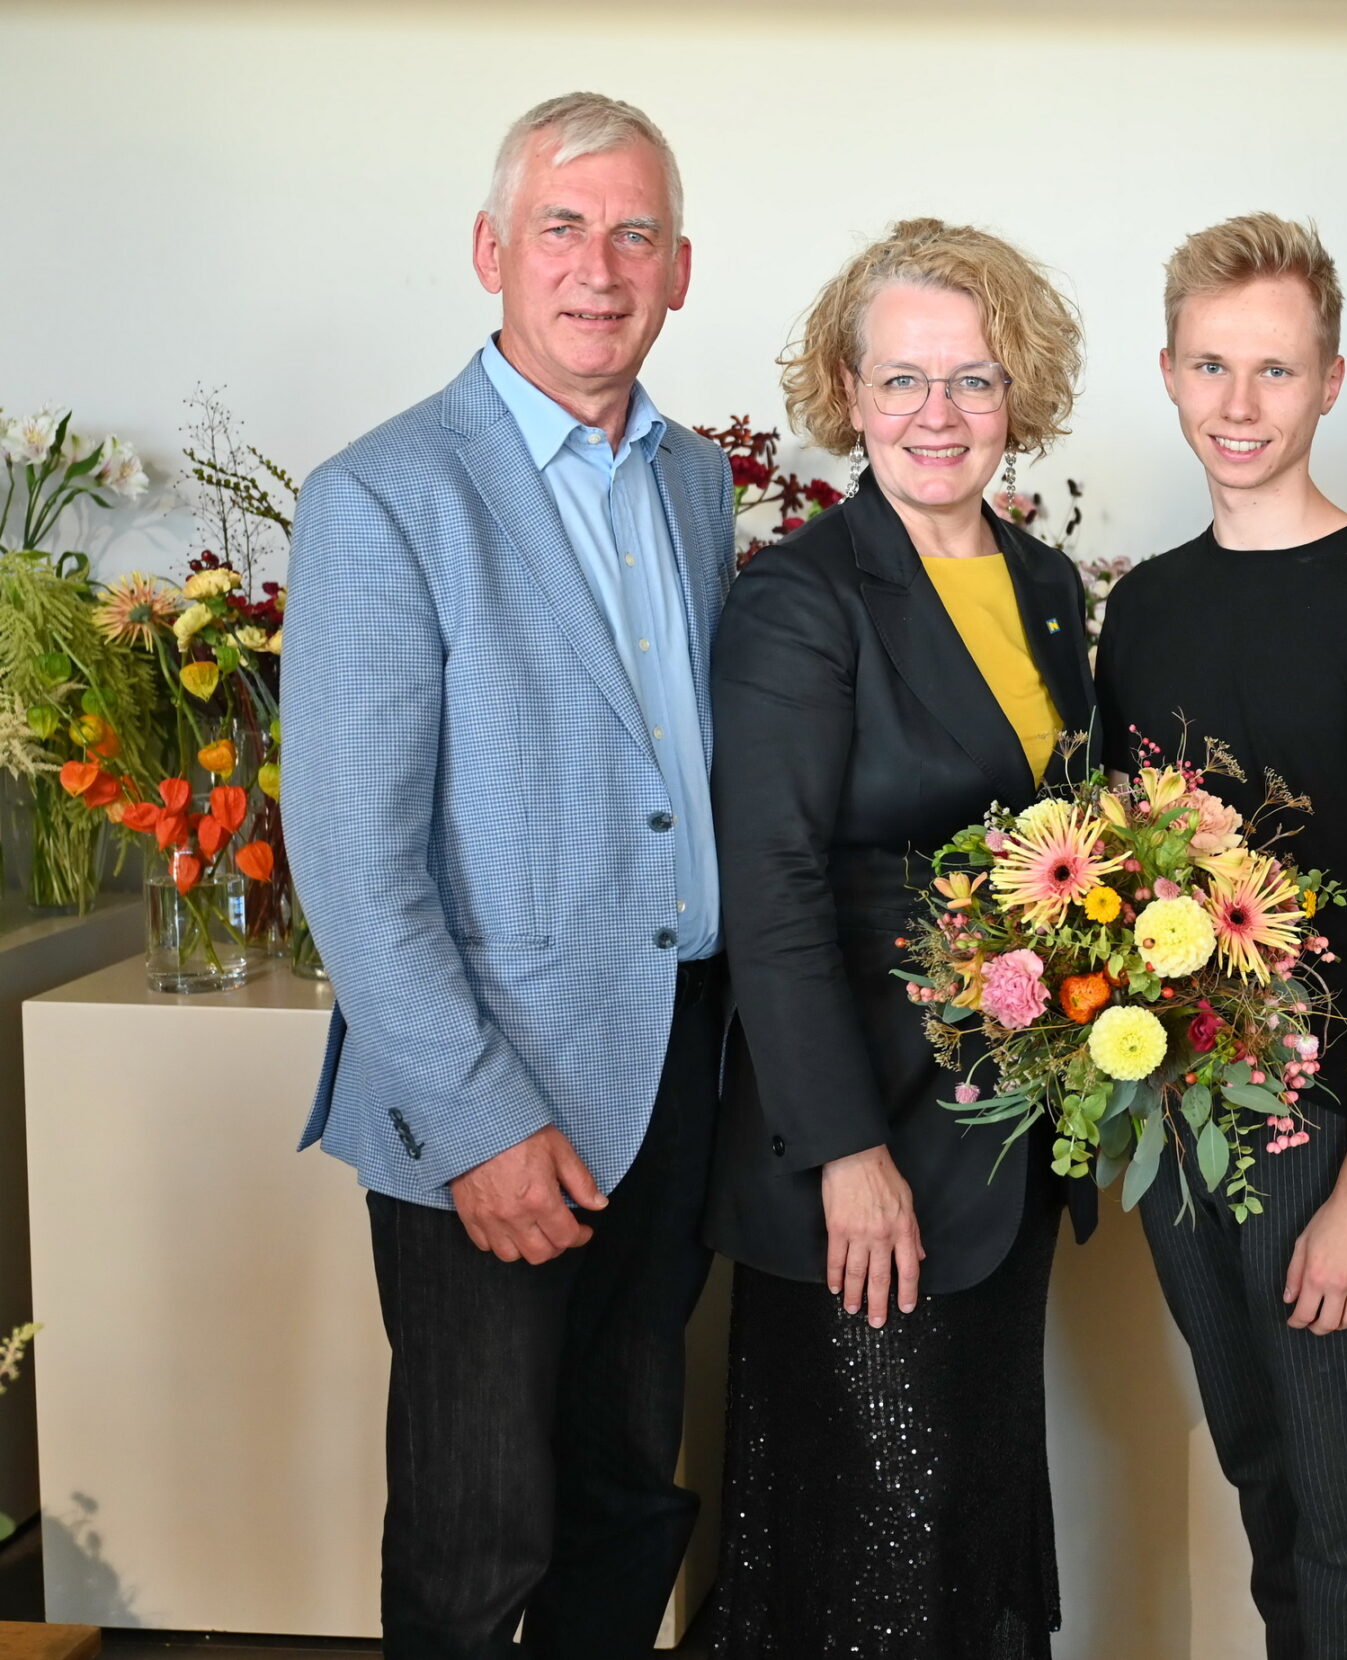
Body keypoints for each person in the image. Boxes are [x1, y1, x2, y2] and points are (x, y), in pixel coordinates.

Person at [284, 93, 731, 1657]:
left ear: (681, 267)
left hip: (673, 1070)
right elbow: (351, 858)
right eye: (562, 226)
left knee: (627, 1503)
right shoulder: (384, 497)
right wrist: (482, 1124)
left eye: (634, 234)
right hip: (487, 1099)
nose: (598, 268)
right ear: (491, 251)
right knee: (482, 1544)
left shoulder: (693, 483)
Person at [702, 218, 1097, 1659]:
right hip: (864, 1163)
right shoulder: (799, 600)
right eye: (905, 381)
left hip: (1004, 1151)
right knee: (865, 1570)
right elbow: (776, 891)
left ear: (1021, 393)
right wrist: (846, 1155)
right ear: (849, 394)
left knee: (967, 1542)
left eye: (975, 380)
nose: (939, 415)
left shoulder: (1046, 591)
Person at [1093, 213, 1347, 1660]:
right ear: (1170, 372)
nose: (1239, 405)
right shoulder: (1145, 607)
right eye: (1212, 366)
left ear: (1331, 382)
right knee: (1258, 1465)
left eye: (1275, 369)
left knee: (1341, 1496)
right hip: (1171, 1104)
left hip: (1323, 1121)